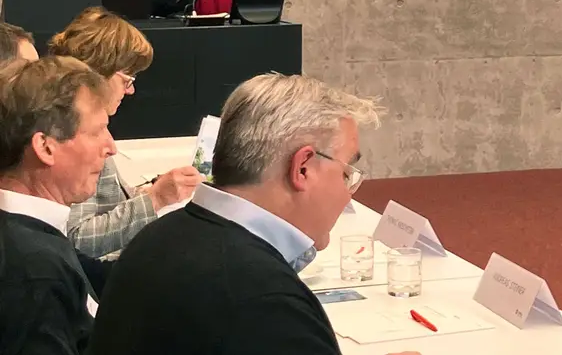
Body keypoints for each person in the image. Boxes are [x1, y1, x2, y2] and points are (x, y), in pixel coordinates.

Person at [88, 73, 418, 355]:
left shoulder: (159, 237)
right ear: (302, 168)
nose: (348, 192)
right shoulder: (265, 303)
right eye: (346, 173)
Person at [47, 7, 203, 258]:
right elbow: (77, 238)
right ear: (100, 73)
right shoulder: (72, 135)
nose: (130, 90)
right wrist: (155, 199)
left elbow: (105, 204)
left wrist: (153, 190)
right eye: (127, 78)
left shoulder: (77, 124)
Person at [0, 56, 116, 354]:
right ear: (45, 147)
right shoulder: (34, 272)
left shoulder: (35, 232)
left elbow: (98, 275)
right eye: (97, 132)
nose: (110, 147)